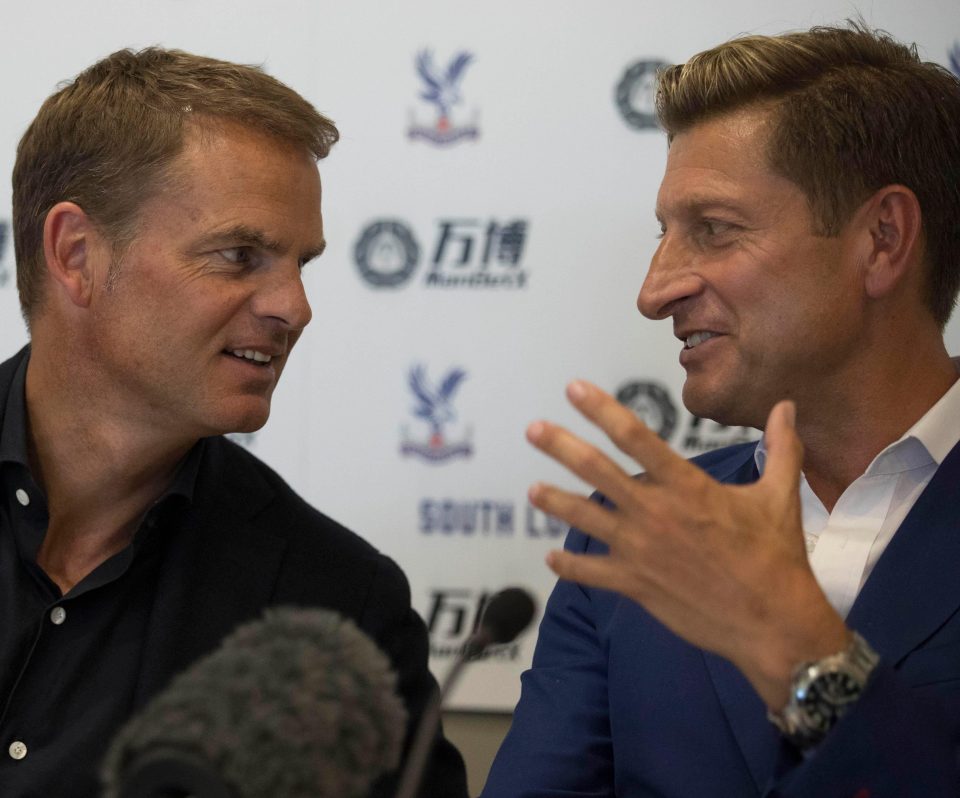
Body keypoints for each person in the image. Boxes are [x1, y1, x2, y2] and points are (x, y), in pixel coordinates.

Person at [484, 24, 960, 798]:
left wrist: (805, 656)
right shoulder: (633, 532)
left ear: (882, 239)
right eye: (665, 234)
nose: (654, 289)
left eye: (714, 230)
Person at [0, 48, 467, 797]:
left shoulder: (340, 610)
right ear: (77, 254)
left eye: (300, 264)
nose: (295, 307)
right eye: (241, 255)